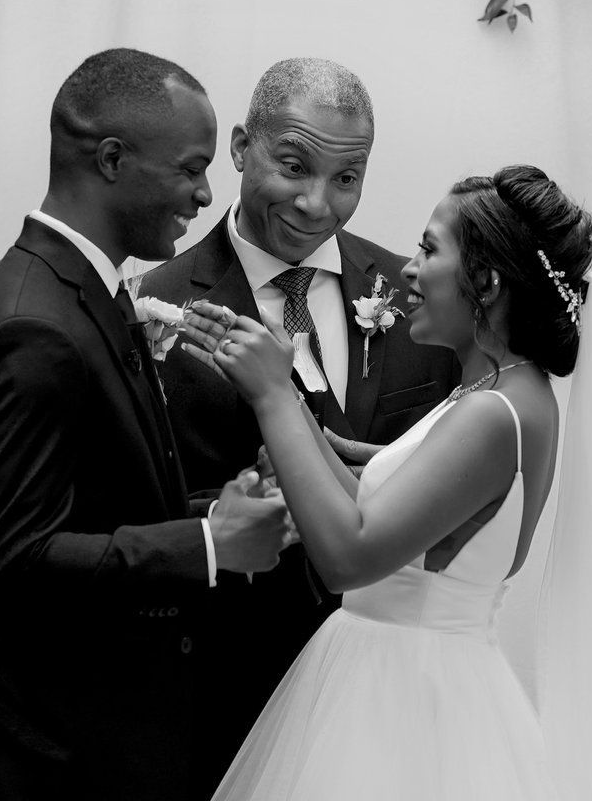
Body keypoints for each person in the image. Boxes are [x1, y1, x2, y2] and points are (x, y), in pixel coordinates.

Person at [180, 165, 592, 801]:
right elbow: (403, 528)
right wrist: (298, 421)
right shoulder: (495, 391)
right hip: (399, 677)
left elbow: (350, 556)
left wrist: (272, 395)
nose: (407, 269)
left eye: (430, 249)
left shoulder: (495, 413)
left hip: (408, 703)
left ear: (484, 282)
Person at [0, 49, 294, 801]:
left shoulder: (86, 291)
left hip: (111, 742)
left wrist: (218, 511)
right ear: (112, 159)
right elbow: (19, 566)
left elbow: (103, 511)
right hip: (54, 758)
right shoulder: (32, 325)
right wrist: (209, 547)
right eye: (190, 168)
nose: (206, 193)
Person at [140, 57, 457, 788]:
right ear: (242, 146)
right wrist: (222, 517)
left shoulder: (420, 303)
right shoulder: (151, 306)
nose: (318, 203)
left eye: (346, 178)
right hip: (224, 713)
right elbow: (130, 509)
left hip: (390, 715)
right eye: (294, 165)